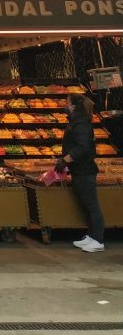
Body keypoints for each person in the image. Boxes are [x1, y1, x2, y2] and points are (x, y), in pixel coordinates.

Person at [59, 92, 105, 252]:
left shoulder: (81, 124)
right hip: (78, 169)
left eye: (67, 102)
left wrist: (66, 160)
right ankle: (92, 236)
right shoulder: (77, 122)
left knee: (92, 205)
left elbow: (83, 147)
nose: (65, 105)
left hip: (85, 169)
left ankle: (98, 240)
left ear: (73, 106)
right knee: (86, 205)